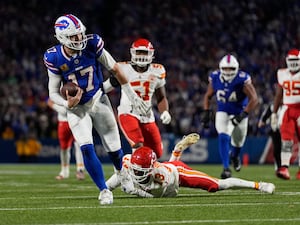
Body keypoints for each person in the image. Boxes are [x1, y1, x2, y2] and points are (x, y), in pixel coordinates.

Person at [43, 14, 149, 204]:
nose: (80, 38)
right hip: (77, 109)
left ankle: (123, 178)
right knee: (86, 147)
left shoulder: (93, 43)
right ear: (62, 37)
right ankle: (104, 190)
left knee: (115, 149)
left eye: (80, 34)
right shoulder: (54, 57)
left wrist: (132, 95)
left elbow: (115, 68)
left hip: (99, 99)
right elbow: (52, 92)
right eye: (74, 36)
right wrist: (67, 104)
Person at [107, 134, 275, 198]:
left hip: (178, 174)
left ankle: (259, 185)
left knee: (218, 185)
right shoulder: (129, 161)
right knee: (115, 182)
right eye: (135, 169)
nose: (136, 172)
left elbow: (159, 195)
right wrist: (106, 187)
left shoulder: (160, 178)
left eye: (140, 170)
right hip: (168, 166)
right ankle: (177, 150)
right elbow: (122, 173)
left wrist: (134, 190)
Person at [104, 38, 171, 159]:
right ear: (132, 53)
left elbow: (161, 97)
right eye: (139, 52)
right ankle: (135, 175)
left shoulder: (158, 70)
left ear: (151, 54)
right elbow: (106, 87)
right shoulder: (122, 68)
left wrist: (165, 111)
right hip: (127, 112)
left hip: (147, 115)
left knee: (157, 153)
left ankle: (146, 173)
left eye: (144, 53)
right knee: (138, 145)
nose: (142, 56)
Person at [202, 54, 258, 179]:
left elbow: (254, 99)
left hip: (239, 113)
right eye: (226, 68)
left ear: (236, 68)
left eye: (231, 69)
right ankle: (226, 168)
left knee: (238, 142)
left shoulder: (242, 79)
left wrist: (243, 114)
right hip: (223, 111)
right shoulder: (215, 77)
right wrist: (206, 112)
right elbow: (208, 95)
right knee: (223, 136)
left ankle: (235, 156)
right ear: (221, 68)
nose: (228, 71)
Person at [271, 48, 300, 180]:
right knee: (286, 140)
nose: (293, 63)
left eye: (296, 60)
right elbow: (278, 95)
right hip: (287, 109)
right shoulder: (282, 73)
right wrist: (274, 113)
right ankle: (284, 168)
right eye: (291, 60)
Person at [47, 99, 85, 180]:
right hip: (63, 121)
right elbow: (49, 101)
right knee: (64, 148)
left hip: (77, 119)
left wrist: (57, 107)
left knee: (79, 145)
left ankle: (80, 170)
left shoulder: (77, 86)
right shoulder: (57, 87)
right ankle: (64, 171)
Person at [258, 103, 282, 177]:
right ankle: (278, 168)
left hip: (286, 130)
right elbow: (267, 114)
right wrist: (263, 121)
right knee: (277, 150)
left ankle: (284, 167)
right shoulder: (272, 106)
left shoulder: (288, 106)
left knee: (285, 149)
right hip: (275, 130)